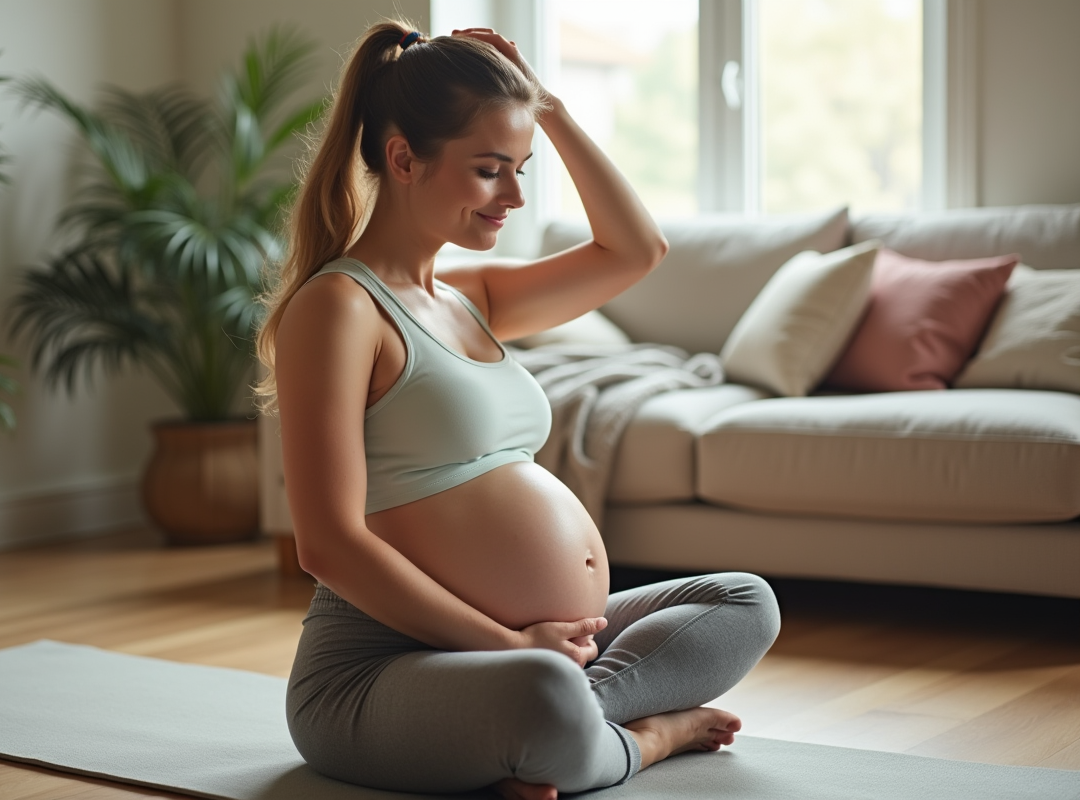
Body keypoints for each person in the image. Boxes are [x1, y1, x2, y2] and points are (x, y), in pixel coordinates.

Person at [255, 20, 781, 800]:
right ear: (403, 158)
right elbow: (327, 544)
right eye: (490, 170)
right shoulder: (339, 308)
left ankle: (543, 738)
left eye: (521, 166)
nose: (516, 195)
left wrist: (551, 108)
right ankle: (641, 740)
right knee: (541, 694)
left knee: (744, 602)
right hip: (376, 670)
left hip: (540, 652)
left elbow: (637, 251)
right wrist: (509, 644)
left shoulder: (472, 297)